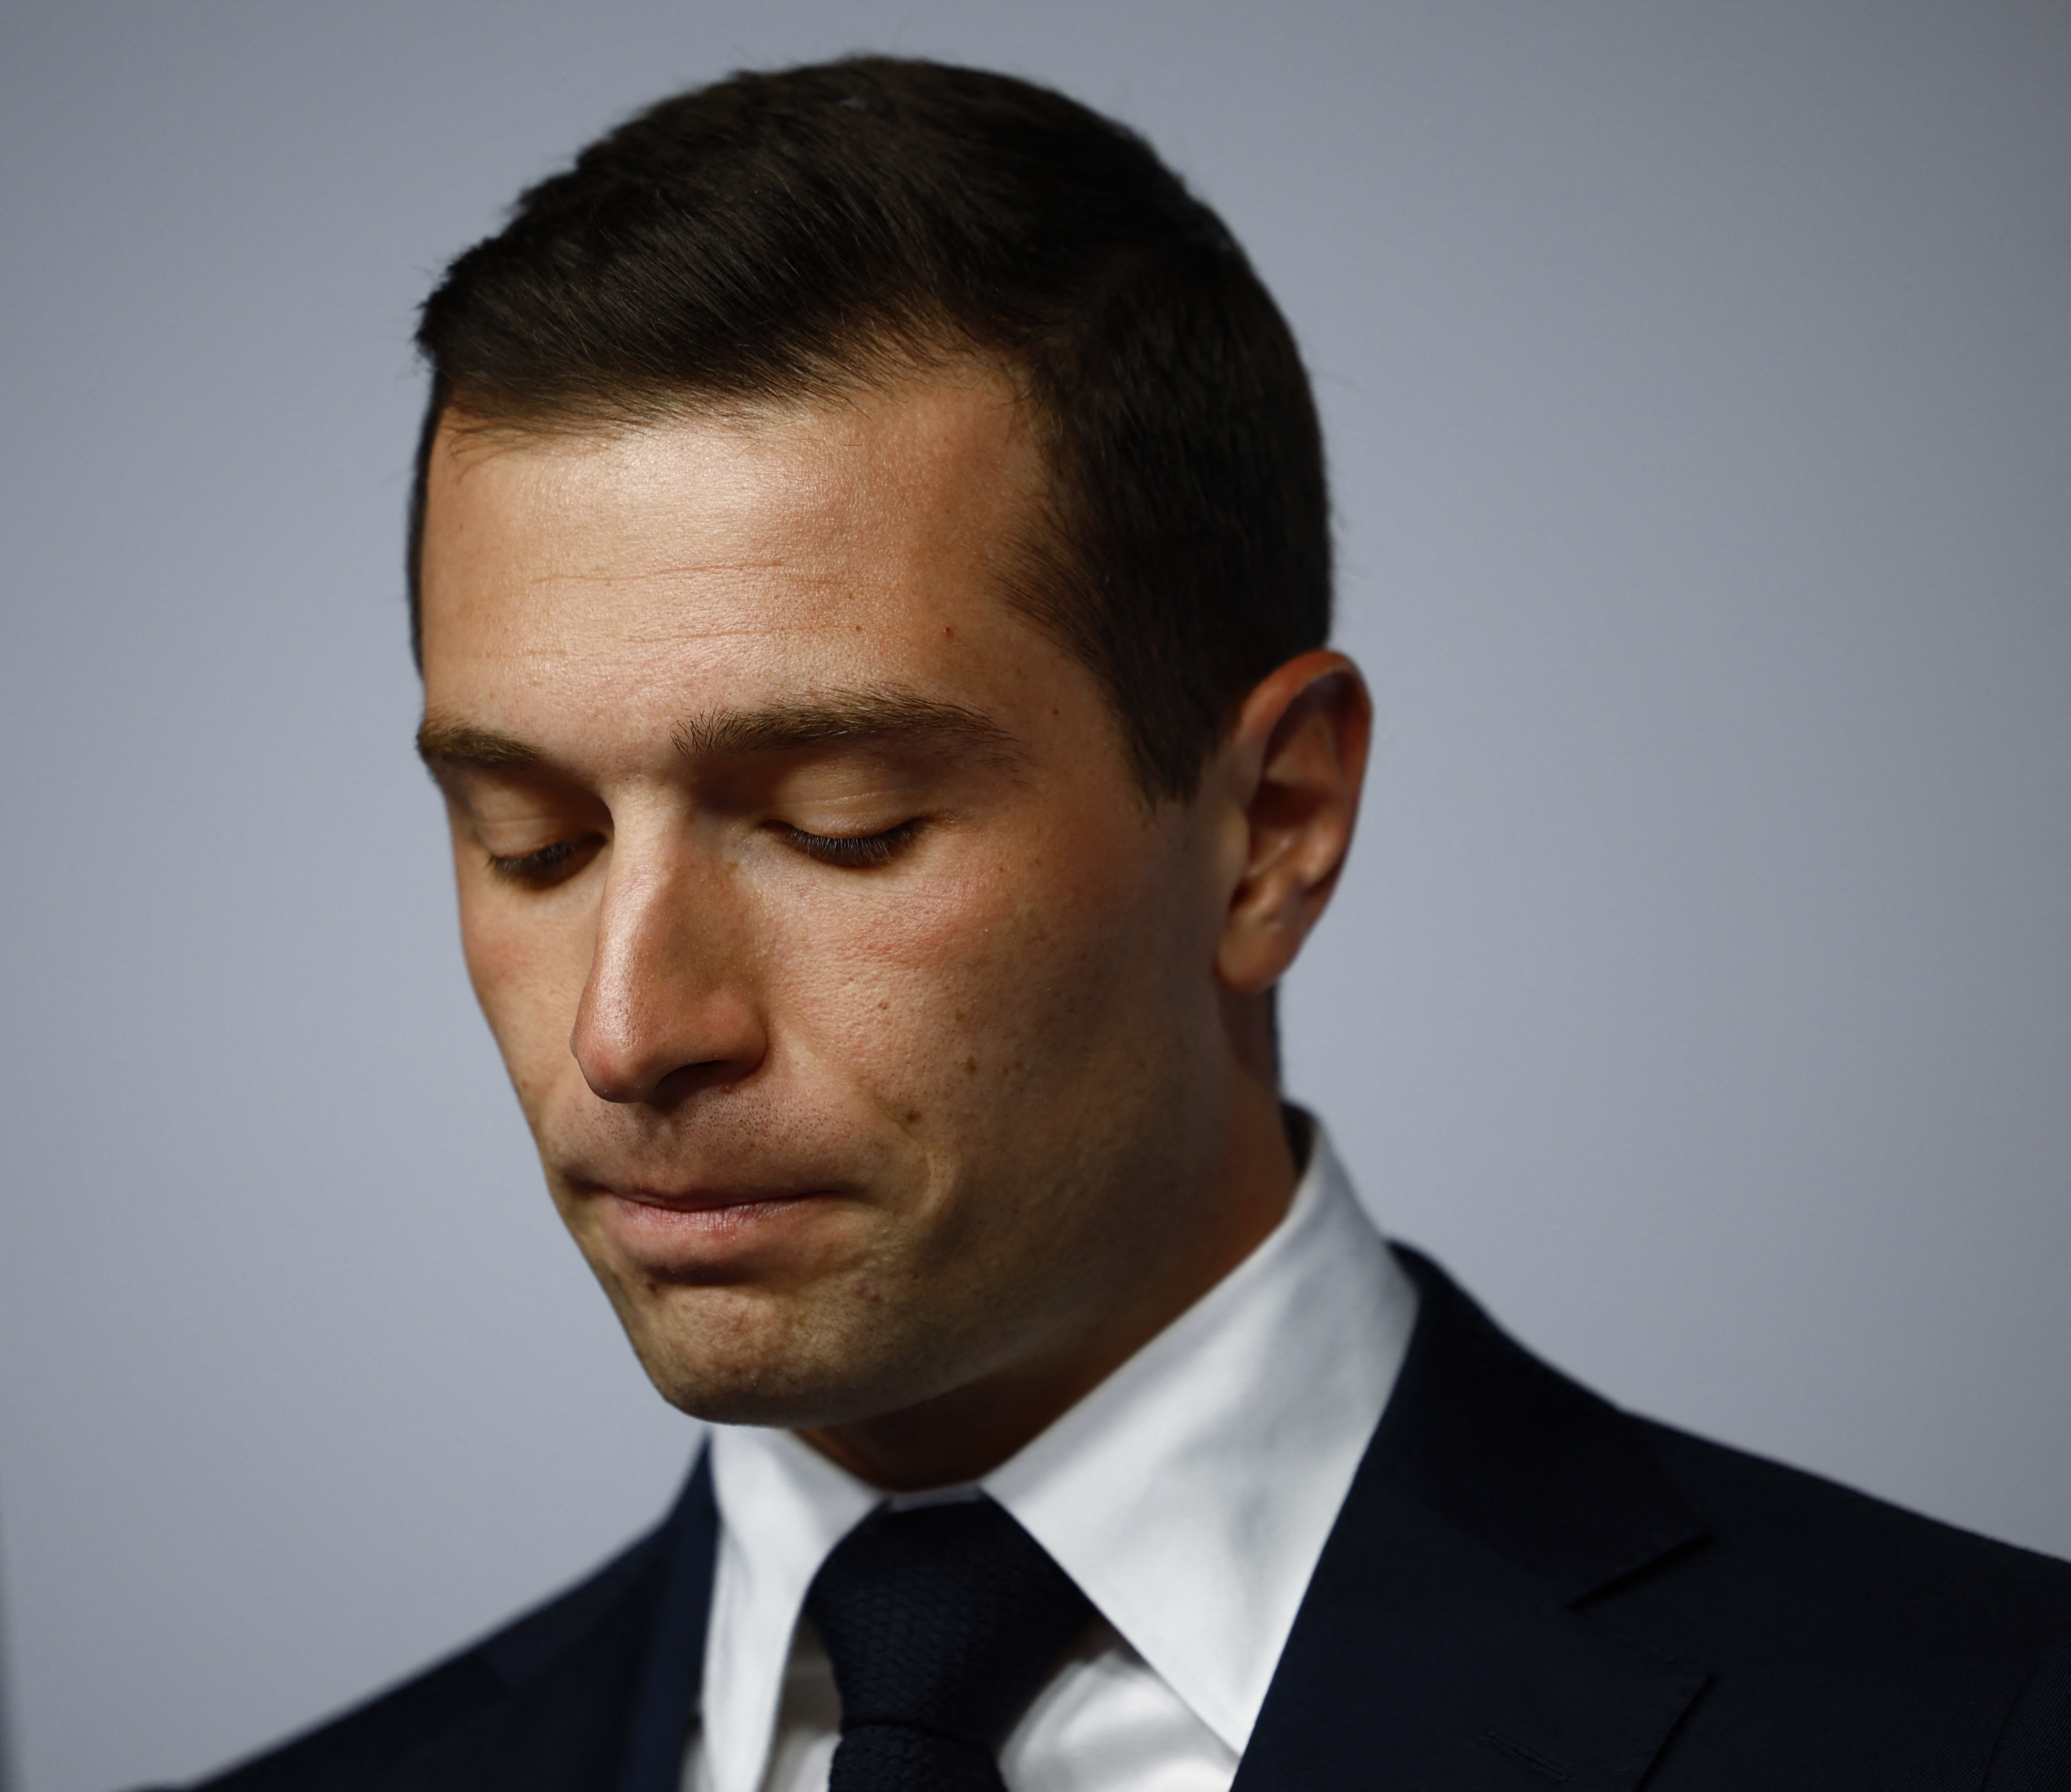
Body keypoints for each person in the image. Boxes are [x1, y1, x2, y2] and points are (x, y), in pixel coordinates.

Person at [186, 56, 2071, 1792]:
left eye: (842, 827)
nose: (628, 1028)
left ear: (1272, 825)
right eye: (530, 841)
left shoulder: (1982, 1726)